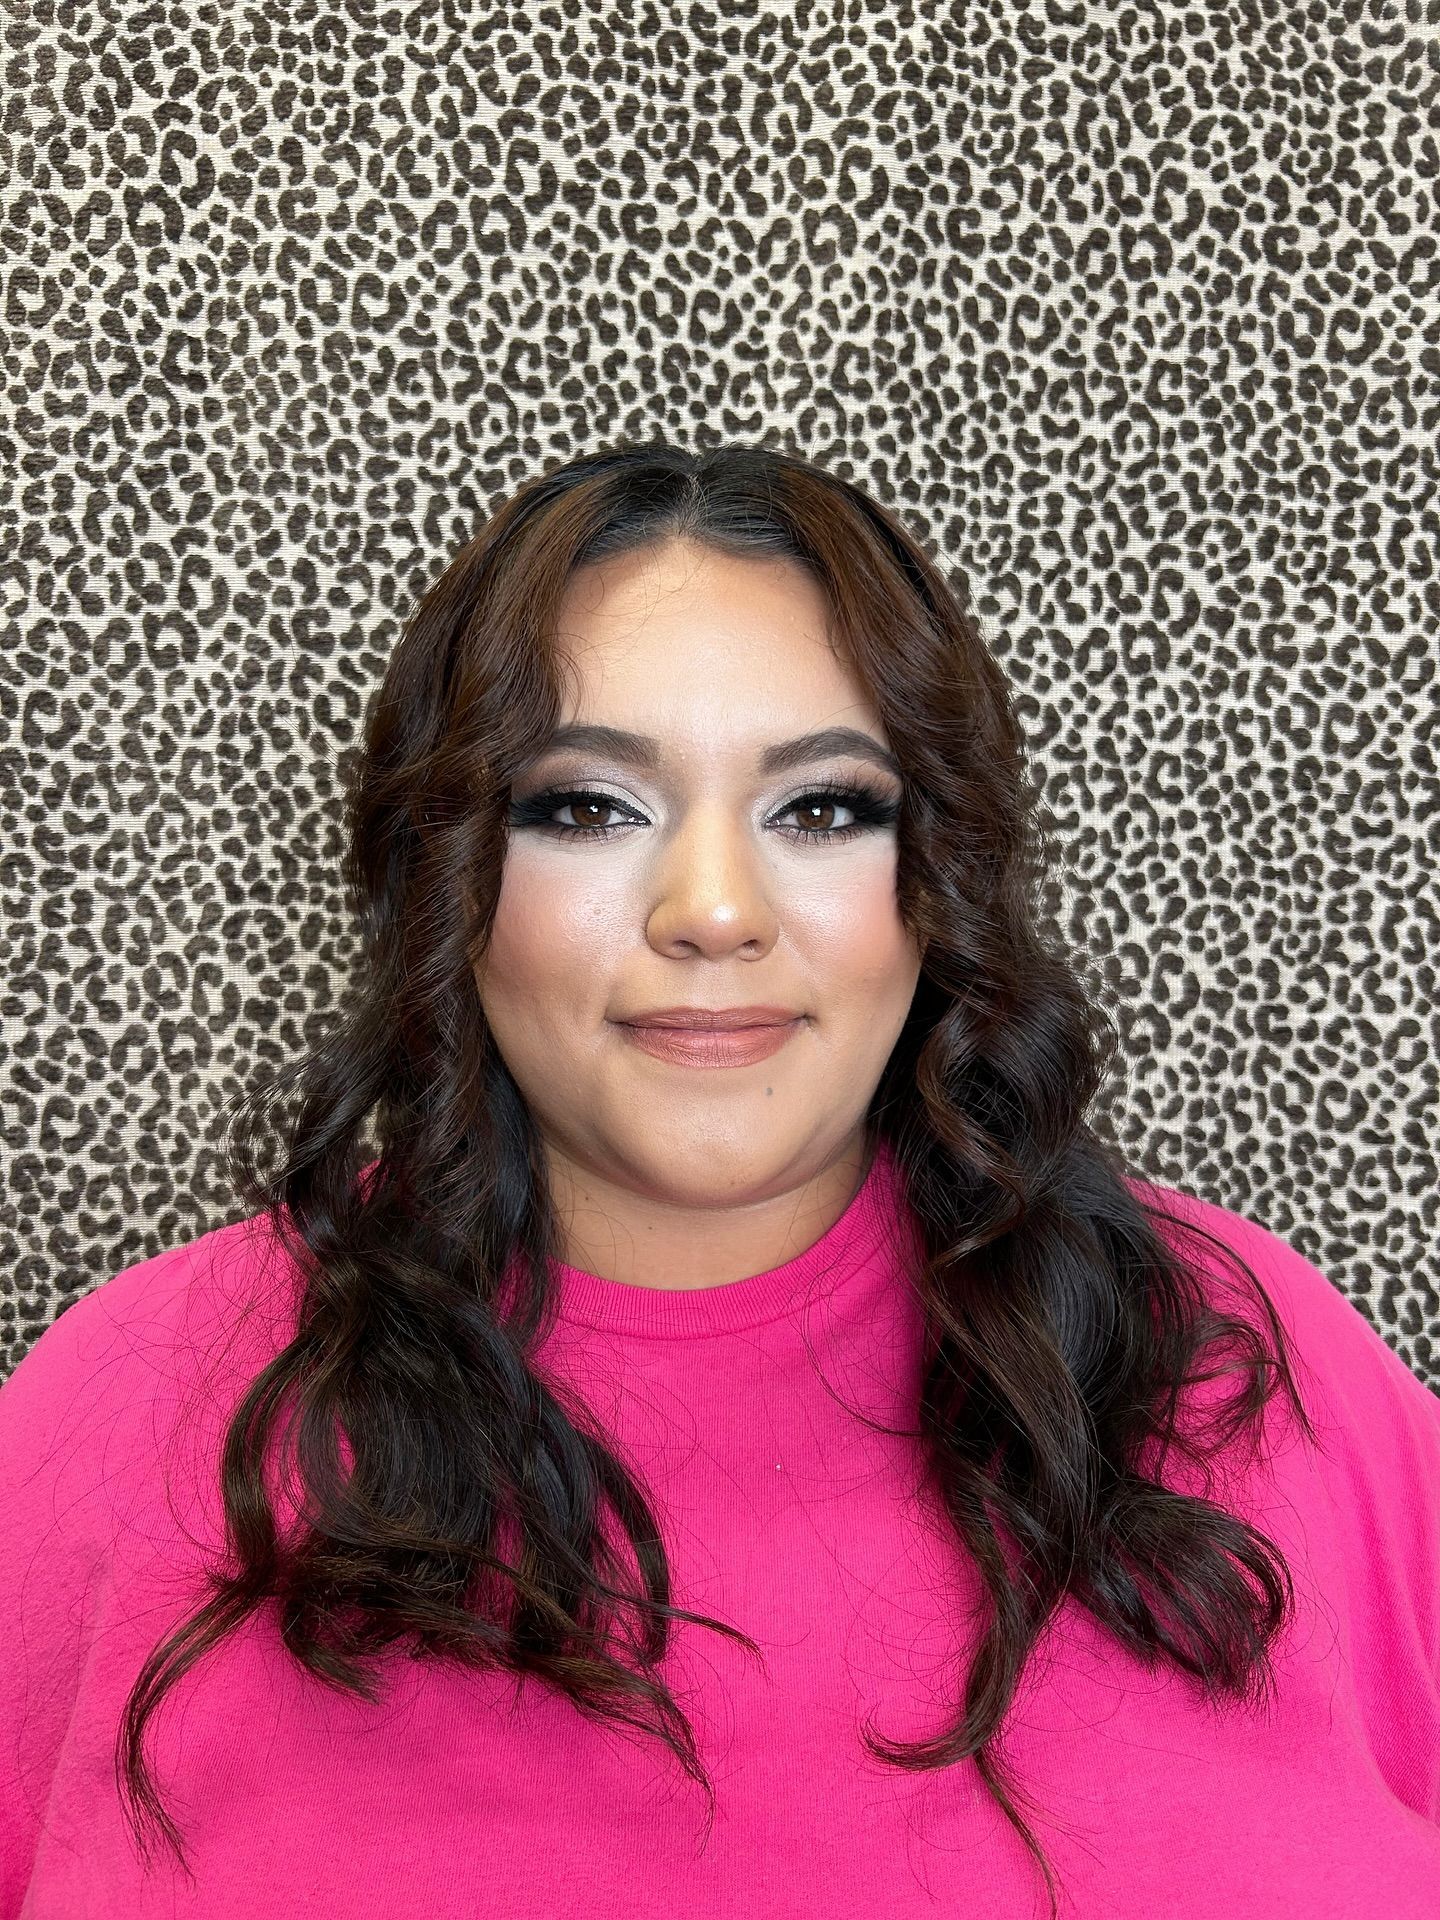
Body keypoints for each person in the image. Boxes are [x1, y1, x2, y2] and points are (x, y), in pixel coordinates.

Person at [1, 439, 1436, 1920]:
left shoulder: (1253, 1365)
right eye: (583, 805)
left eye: (822, 808)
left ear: (936, 873)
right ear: (452, 876)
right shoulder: (123, 1412)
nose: (713, 912)